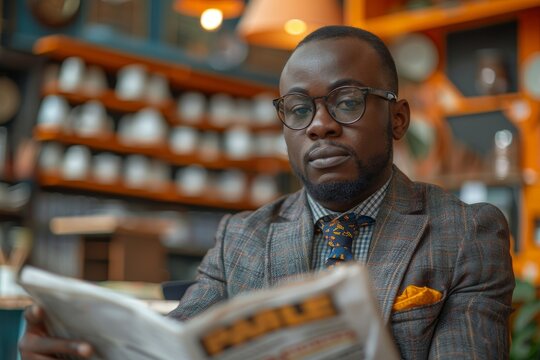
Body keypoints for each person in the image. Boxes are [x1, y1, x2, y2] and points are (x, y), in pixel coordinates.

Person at [19, 25, 514, 359]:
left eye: (346, 102)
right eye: (298, 109)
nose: (320, 126)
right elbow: (174, 343)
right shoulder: (242, 237)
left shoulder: (466, 232)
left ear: (398, 119)